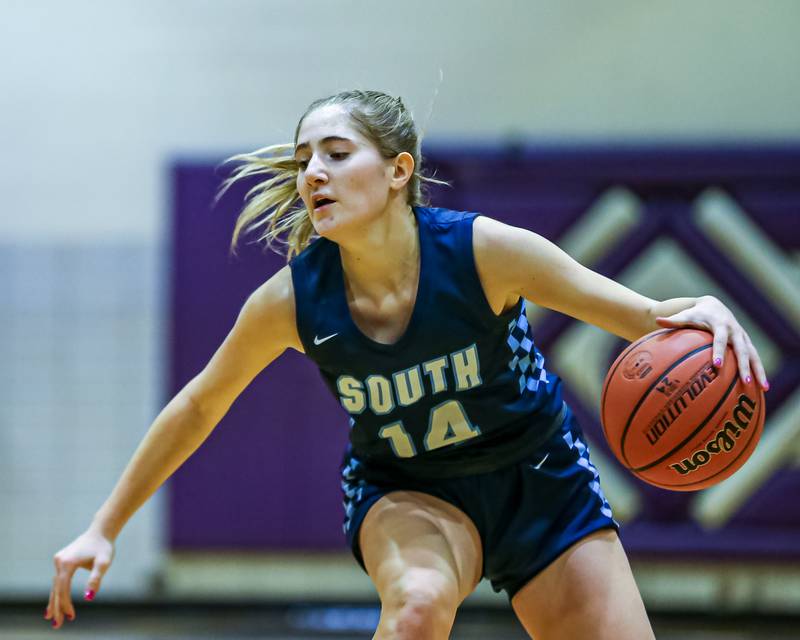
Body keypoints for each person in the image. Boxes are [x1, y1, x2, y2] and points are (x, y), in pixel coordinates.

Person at [47, 90, 769, 638]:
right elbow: (201, 403)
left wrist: (702, 307)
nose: (313, 174)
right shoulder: (292, 301)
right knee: (419, 606)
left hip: (538, 477)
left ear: (399, 171)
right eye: (304, 161)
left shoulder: (486, 251)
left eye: (335, 153)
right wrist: (103, 526)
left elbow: (639, 316)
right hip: (410, 488)